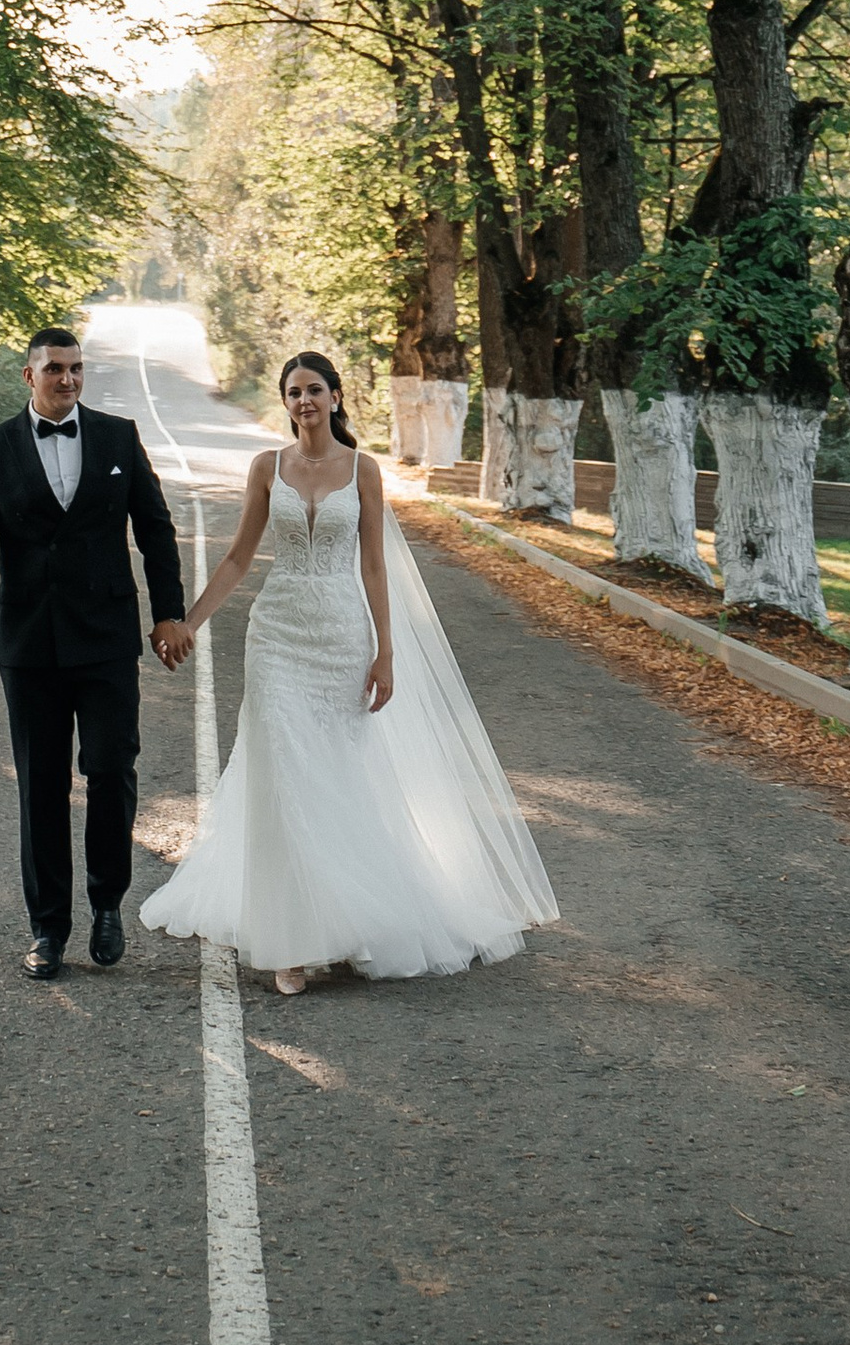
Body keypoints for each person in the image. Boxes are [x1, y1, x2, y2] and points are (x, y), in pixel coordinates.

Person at [142, 348, 557, 994]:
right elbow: (237, 560)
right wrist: (188, 623)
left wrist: (385, 650)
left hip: (341, 634)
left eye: (313, 390)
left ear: (336, 397)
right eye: (293, 393)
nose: (303, 401)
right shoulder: (266, 468)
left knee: (334, 775)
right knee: (282, 772)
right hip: (277, 635)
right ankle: (292, 942)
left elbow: (373, 567)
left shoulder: (363, 471)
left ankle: (346, 913)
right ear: (285, 403)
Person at [0, 325, 190, 979]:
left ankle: (107, 906)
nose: (68, 379)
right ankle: (48, 930)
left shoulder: (118, 438)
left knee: (112, 770)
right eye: (55, 369)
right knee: (42, 787)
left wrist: (167, 612)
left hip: (107, 639)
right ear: (29, 376)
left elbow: (154, 527)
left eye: (76, 368)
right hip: (29, 647)